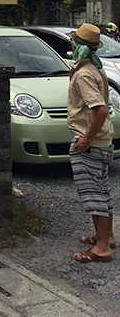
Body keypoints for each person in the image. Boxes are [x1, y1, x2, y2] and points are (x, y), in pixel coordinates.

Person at [68, 23, 116, 263]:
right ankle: (107, 237)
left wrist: (86, 139)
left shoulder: (85, 73)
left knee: (93, 193)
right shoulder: (95, 68)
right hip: (104, 140)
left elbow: (100, 110)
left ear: (78, 46)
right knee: (103, 189)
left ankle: (102, 248)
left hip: (91, 141)